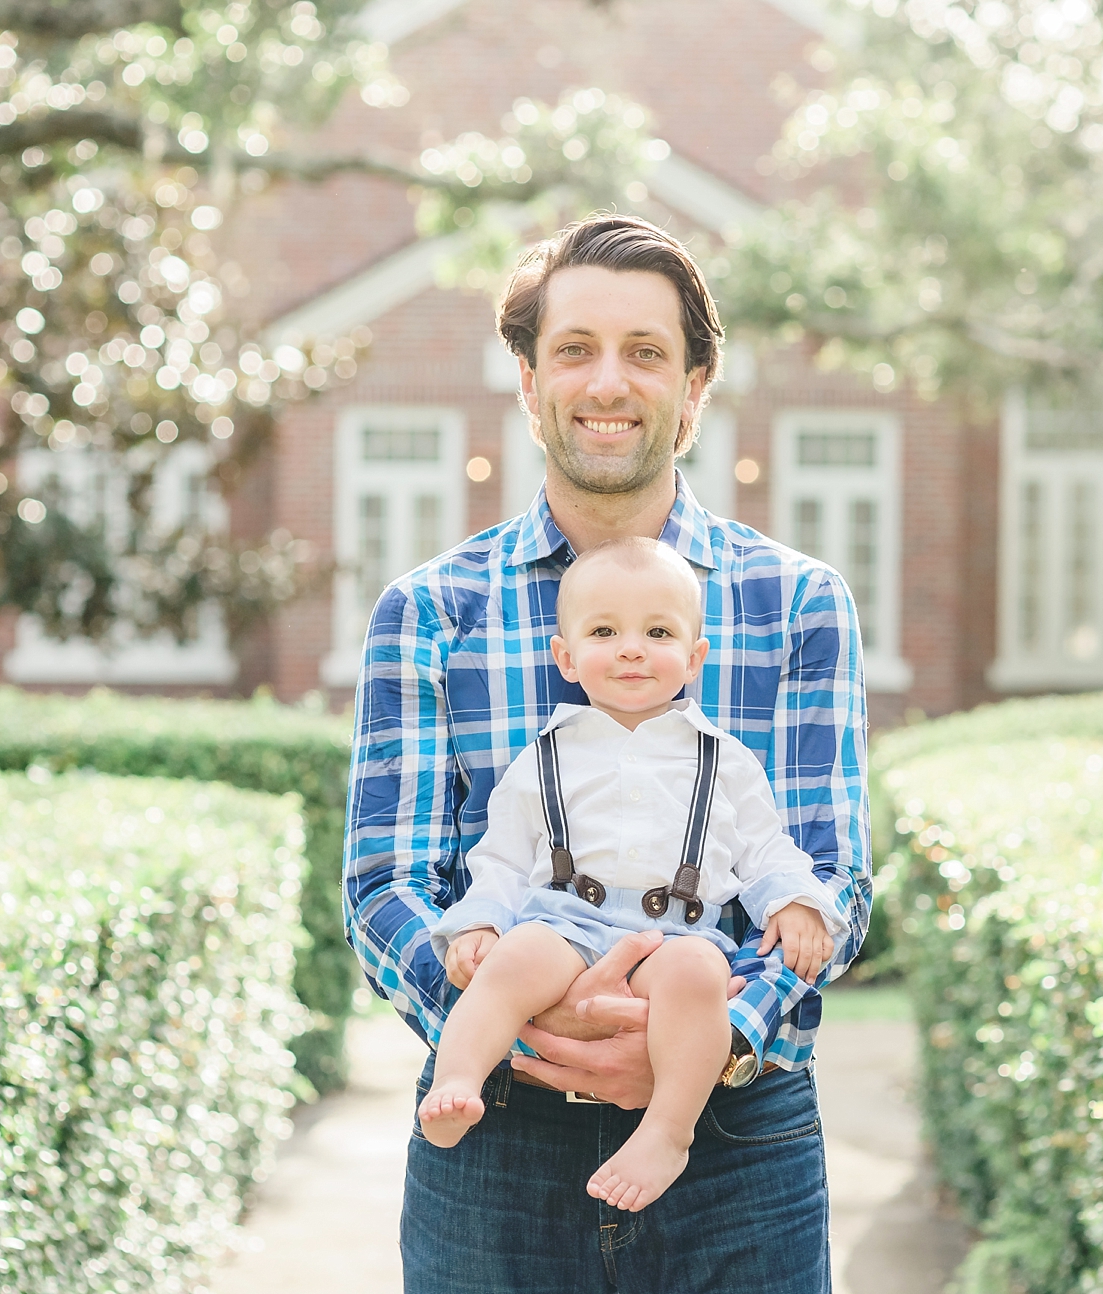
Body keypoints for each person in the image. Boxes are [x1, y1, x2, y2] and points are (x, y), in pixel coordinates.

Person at [344, 213, 872, 1293]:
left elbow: (830, 878)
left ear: (696, 386)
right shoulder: (430, 611)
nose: (608, 384)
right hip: (492, 1138)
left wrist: (705, 1041)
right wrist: (525, 1029)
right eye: (575, 349)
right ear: (531, 384)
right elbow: (385, 883)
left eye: (646, 352)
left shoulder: (799, 604)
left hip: (738, 1143)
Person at [417, 536, 845, 1213]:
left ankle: (666, 1133)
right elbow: (498, 860)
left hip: (674, 932)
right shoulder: (544, 757)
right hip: (562, 921)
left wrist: (792, 900)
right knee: (510, 963)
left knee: (700, 977)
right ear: (565, 655)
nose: (630, 648)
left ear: (694, 655)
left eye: (657, 631)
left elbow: (765, 849)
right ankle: (459, 1081)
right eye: (604, 631)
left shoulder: (722, 760)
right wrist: (479, 922)